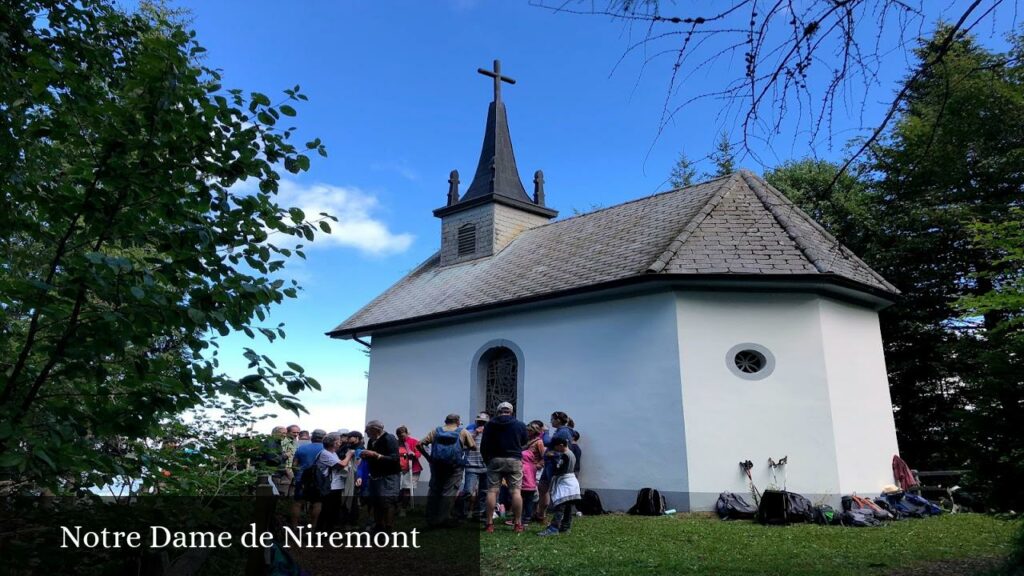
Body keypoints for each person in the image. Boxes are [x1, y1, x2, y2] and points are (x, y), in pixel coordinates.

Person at [417, 414, 476, 528]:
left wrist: (428, 457)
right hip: (455, 467)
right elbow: (473, 446)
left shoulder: (436, 431)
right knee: (449, 492)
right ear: (458, 422)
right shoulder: (462, 432)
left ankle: (431, 518)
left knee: (435, 490)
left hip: (437, 465)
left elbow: (419, 444)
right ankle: (443, 519)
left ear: (445, 421)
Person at [480, 402, 528, 534]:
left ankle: (489, 523)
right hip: (514, 460)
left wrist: (487, 460)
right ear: (511, 412)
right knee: (516, 492)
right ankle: (517, 524)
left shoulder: (490, 424)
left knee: (492, 491)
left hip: (495, 460)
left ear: (498, 411)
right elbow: (524, 442)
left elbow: (484, 445)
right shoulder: (519, 424)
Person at [359, 419, 401, 533]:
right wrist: (366, 456)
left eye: (367, 430)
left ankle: (388, 528)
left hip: (388, 476)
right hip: (375, 475)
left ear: (375, 430)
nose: (366, 433)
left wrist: (376, 455)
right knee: (376, 502)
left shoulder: (389, 439)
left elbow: (395, 458)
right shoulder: (371, 441)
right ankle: (378, 526)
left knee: (388, 502)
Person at [538, 436, 581, 536]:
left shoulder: (565, 455)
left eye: (556, 447)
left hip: (565, 483)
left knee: (560, 507)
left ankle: (554, 528)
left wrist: (552, 458)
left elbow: (559, 468)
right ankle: (565, 527)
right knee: (567, 507)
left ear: (561, 445)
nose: (555, 449)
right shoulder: (570, 453)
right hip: (570, 482)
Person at [536, 411, 573, 521]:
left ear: (558, 420)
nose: (550, 421)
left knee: (553, 490)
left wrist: (546, 432)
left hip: (553, 465)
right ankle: (540, 514)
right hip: (549, 463)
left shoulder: (563, 432)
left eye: (552, 419)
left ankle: (557, 519)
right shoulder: (561, 431)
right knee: (543, 488)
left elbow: (549, 442)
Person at [508, 421, 544, 527]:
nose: (527, 432)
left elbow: (543, 457)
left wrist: (538, 465)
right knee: (523, 493)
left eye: (529, 430)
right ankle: (522, 515)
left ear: (534, 431)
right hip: (523, 469)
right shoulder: (528, 441)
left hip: (532, 470)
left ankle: (530, 515)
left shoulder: (539, 442)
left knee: (531, 494)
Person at [314, 433, 353, 532]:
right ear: (334, 443)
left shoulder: (332, 453)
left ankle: (328, 531)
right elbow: (342, 464)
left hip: (335, 486)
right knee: (327, 510)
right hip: (330, 487)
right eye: (339, 440)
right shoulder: (325, 453)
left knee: (333, 510)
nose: (340, 442)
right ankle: (322, 532)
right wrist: (349, 455)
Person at [457, 412, 490, 521]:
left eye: (484, 422)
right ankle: (461, 513)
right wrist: (476, 432)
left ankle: (480, 514)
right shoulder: (469, 432)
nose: (481, 424)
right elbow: (464, 445)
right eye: (480, 422)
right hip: (471, 466)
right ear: (476, 422)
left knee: (484, 492)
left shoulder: (490, 434)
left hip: (486, 466)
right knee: (468, 491)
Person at [291, 428, 326, 528]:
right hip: (318, 480)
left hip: (301, 478)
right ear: (323, 438)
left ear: (312, 437)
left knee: (298, 503)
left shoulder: (301, 448)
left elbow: (294, 464)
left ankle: (294, 526)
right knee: (317, 503)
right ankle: (313, 527)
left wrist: (297, 475)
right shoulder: (326, 449)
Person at [396, 425, 423, 515]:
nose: (401, 438)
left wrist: (413, 454)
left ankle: (403, 509)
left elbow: (419, 453)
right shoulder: (397, 443)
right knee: (400, 490)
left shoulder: (414, 442)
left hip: (412, 469)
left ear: (407, 433)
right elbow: (401, 456)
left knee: (407, 489)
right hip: (400, 470)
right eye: (399, 436)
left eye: (403, 436)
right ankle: (398, 507)